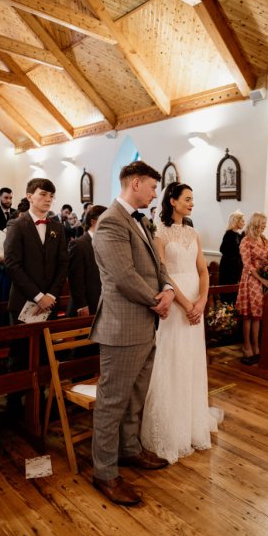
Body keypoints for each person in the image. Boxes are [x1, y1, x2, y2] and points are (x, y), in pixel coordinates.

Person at [90, 161, 174, 507]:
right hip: (123, 326)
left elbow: (157, 265)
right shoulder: (111, 221)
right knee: (112, 403)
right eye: (153, 187)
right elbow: (123, 275)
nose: (156, 193)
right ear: (136, 183)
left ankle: (128, 450)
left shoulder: (141, 220)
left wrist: (167, 287)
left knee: (136, 395)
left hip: (146, 322)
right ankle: (105, 472)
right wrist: (158, 301)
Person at [141, 182, 221, 465]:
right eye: (187, 199)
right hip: (174, 302)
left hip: (195, 304)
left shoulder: (193, 232)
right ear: (172, 201)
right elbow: (161, 271)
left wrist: (201, 302)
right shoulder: (158, 231)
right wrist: (186, 304)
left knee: (191, 360)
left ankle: (191, 423)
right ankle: (169, 428)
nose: (191, 203)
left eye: (192, 199)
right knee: (172, 359)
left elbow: (203, 270)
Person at [4, 178, 68, 323]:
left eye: (51, 196)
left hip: (50, 302)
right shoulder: (16, 225)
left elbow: (63, 263)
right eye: (43, 194)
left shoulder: (57, 227)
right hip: (23, 299)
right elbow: (12, 264)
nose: (48, 199)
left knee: (47, 345)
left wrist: (51, 295)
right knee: (22, 346)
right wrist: (38, 296)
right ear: (29, 196)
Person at [236, 212, 268, 358]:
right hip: (251, 280)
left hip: (265, 279)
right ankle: (247, 345)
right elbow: (247, 265)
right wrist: (261, 279)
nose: (264, 226)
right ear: (256, 223)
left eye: (265, 224)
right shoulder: (246, 240)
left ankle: (257, 344)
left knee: (258, 316)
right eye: (262, 223)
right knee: (248, 315)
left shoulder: (265, 240)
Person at [67, 205, 106, 317]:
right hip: (86, 305)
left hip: (102, 302)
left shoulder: (106, 243)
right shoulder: (79, 244)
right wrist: (81, 305)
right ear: (93, 222)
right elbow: (75, 279)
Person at [218, 210, 245, 303]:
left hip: (236, 267)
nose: (244, 223)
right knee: (228, 295)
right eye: (242, 221)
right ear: (236, 221)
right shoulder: (229, 234)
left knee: (234, 294)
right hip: (229, 268)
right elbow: (223, 250)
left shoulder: (238, 235)